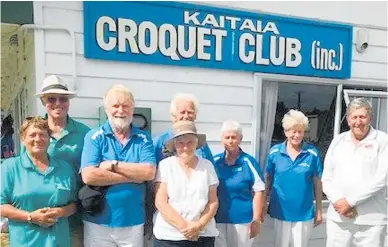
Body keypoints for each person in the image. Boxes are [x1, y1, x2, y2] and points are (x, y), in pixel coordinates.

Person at [80, 84, 156, 247]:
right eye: (115, 105)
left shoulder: (143, 138)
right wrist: (133, 176)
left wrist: (112, 165)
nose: (120, 110)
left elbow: (149, 172)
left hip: (133, 220)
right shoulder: (94, 136)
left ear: (132, 108)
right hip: (98, 222)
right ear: (106, 108)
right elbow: (89, 176)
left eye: (125, 105)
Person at [146, 93, 215, 246]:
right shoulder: (157, 143)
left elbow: (211, 187)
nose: (186, 115)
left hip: (201, 229)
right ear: (173, 116)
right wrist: (184, 228)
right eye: (182, 112)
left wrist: (199, 225)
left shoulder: (203, 148)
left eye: (190, 112)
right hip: (169, 227)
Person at [0, 116, 77, 247]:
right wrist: (30, 216)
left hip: (58, 241)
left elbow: (75, 204)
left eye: (43, 135)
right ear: (23, 139)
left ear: (49, 139)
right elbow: (1, 206)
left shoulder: (64, 168)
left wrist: (61, 212)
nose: (38, 139)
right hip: (25, 242)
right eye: (32, 135)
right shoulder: (10, 167)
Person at [322, 98, 388, 247]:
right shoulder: (338, 141)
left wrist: (350, 202)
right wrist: (339, 202)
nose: (358, 121)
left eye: (362, 117)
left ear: (370, 118)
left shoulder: (383, 140)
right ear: (348, 120)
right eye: (354, 117)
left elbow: (381, 179)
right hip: (338, 218)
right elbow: (327, 178)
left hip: (371, 220)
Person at [35, 75, 91, 246]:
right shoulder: (35, 133)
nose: (58, 103)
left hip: (74, 215)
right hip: (41, 215)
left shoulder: (85, 133)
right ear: (44, 102)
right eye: (52, 99)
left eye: (63, 99)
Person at [153, 120, 219, 247]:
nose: (185, 147)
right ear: (174, 145)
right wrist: (186, 228)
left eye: (190, 142)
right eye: (180, 143)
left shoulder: (207, 166)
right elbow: (160, 202)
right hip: (169, 237)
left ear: (196, 143)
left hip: (203, 235)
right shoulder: (165, 165)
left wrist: (199, 226)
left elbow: (213, 201)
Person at [265, 109, 323, 247]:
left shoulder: (312, 153)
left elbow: (317, 183)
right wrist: (262, 205)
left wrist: (319, 210)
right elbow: (268, 180)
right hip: (280, 211)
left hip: (303, 212)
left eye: (300, 131)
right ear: (286, 132)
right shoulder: (274, 152)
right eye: (293, 131)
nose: (296, 135)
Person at [213, 120, 265, 247]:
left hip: (242, 221)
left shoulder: (249, 162)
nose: (230, 141)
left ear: (240, 139)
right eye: (227, 137)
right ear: (222, 139)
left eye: (234, 137)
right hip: (217, 220)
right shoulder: (214, 162)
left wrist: (256, 219)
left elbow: (259, 191)